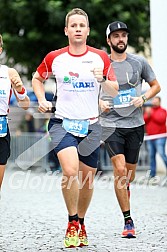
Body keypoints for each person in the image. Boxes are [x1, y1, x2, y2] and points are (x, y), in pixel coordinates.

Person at [32, 8, 118, 248]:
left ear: (88, 31)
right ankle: (71, 223)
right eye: (74, 25)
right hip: (62, 123)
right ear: (67, 30)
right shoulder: (55, 58)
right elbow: (37, 78)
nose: (78, 29)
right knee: (70, 172)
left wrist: (103, 80)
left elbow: (115, 89)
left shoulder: (101, 57)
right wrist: (41, 99)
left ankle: (81, 221)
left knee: (87, 179)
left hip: (91, 125)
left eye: (82, 25)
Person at [99, 21, 161, 238]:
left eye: (123, 35)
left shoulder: (139, 62)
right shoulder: (101, 64)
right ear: (109, 40)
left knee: (129, 176)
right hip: (110, 125)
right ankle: (128, 221)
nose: (120, 39)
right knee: (120, 170)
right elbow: (90, 91)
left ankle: (125, 192)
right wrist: (99, 104)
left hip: (135, 125)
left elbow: (156, 86)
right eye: (116, 36)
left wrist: (143, 98)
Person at [0, 34, 30, 196]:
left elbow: (25, 105)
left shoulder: (9, 72)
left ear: (0, 50)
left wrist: (20, 90)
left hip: (1, 130)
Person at [143, 96, 167, 177]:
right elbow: (144, 120)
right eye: (153, 101)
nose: (154, 102)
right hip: (150, 137)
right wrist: (148, 114)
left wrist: (151, 114)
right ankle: (152, 174)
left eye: (156, 101)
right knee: (151, 156)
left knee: (162, 154)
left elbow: (161, 120)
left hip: (160, 137)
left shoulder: (163, 111)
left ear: (159, 102)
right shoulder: (149, 111)